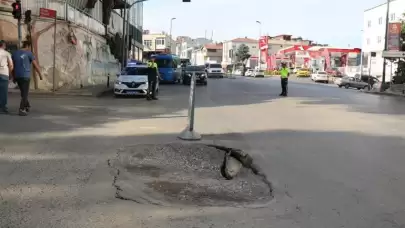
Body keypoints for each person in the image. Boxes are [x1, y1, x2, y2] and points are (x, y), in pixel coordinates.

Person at [11, 41, 42, 116]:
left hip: (18, 76)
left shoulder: (14, 53)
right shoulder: (29, 53)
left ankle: (27, 105)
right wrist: (40, 74)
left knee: (23, 92)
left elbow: (12, 66)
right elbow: (35, 65)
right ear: (28, 46)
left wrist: (14, 77)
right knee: (25, 94)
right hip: (25, 76)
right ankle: (21, 109)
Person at [0, 40, 14, 114]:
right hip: (4, 73)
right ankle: (3, 107)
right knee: (4, 92)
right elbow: (11, 65)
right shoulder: (7, 53)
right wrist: (10, 74)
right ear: (4, 45)